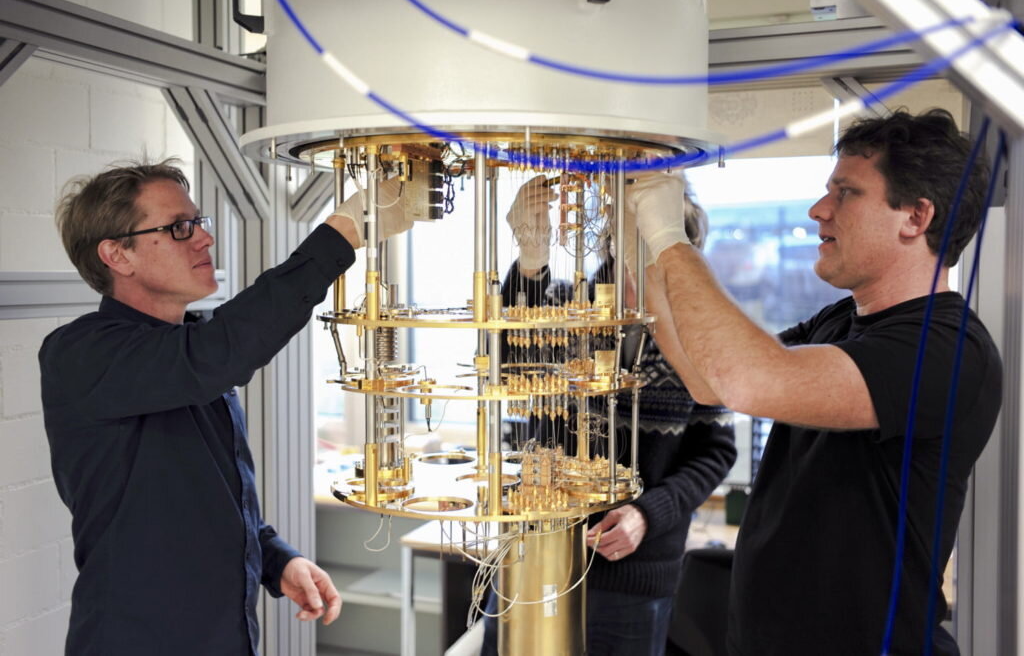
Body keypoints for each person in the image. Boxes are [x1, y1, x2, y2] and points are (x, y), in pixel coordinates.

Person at [627, 109, 1002, 655]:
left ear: (916, 217)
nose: (819, 210)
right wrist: (641, 241)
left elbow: (748, 380)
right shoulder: (841, 321)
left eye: (846, 193)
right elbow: (709, 378)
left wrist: (670, 236)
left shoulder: (945, 348)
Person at [39, 160, 410, 655]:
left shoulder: (191, 352)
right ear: (117, 255)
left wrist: (278, 560)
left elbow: (204, 503)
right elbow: (222, 351)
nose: (204, 238)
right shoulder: (82, 355)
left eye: (199, 222)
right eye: (178, 227)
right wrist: (343, 232)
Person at [482, 175, 737, 656]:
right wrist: (532, 258)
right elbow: (504, 362)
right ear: (608, 235)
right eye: (629, 228)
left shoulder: (701, 334)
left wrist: (646, 515)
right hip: (536, 550)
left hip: (633, 574)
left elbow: (715, 452)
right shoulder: (566, 305)